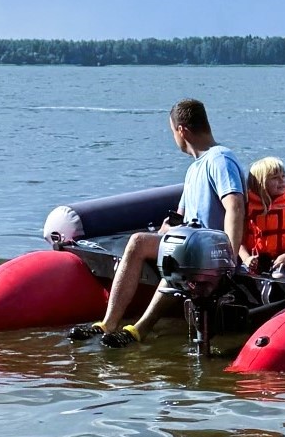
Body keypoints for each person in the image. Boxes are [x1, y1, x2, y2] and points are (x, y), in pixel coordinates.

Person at [68, 98, 247, 347]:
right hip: (190, 243)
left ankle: (139, 329)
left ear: (181, 130)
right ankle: (109, 323)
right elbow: (180, 217)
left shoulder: (220, 159)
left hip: (211, 249)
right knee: (140, 242)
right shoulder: (195, 168)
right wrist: (165, 229)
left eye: (172, 131)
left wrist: (229, 254)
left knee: (171, 253)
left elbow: (235, 206)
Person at [240, 156, 285, 279]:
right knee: (239, 275)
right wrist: (246, 258)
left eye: (283, 176)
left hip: (284, 259)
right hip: (255, 260)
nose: (282, 181)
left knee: (278, 277)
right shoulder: (247, 208)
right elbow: (240, 241)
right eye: (275, 178)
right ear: (260, 183)